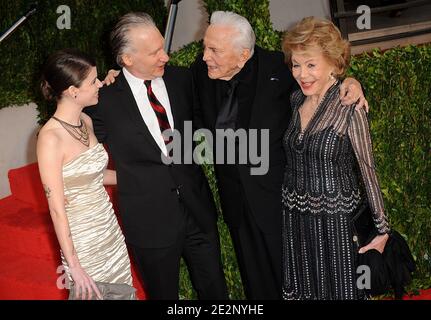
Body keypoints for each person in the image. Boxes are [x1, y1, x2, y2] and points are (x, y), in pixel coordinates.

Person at [189, 11, 368, 300]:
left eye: (214, 50)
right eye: (205, 47)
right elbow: (193, 112)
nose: (205, 56)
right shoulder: (202, 71)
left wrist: (352, 82)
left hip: (281, 203)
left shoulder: (280, 68)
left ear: (242, 54)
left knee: (296, 284)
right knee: (256, 284)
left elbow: (321, 77)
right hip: (236, 203)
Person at [84, 12, 228, 300]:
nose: (165, 56)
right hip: (149, 222)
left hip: (197, 211)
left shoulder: (183, 79)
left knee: (217, 293)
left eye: (163, 47)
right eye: (154, 52)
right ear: (126, 59)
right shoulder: (104, 101)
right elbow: (75, 154)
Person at [281, 16, 390, 300]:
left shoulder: (349, 107)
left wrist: (382, 229)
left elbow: (368, 168)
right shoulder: (295, 101)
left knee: (343, 292)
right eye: (296, 64)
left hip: (337, 223)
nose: (302, 74)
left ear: (333, 63)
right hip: (297, 219)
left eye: (311, 64)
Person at [37, 49, 136, 300]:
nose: (99, 83)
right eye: (93, 81)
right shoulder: (50, 138)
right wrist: (74, 265)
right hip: (83, 245)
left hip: (109, 232)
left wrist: (141, 175)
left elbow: (96, 176)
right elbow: (57, 208)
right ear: (73, 91)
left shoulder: (85, 121)